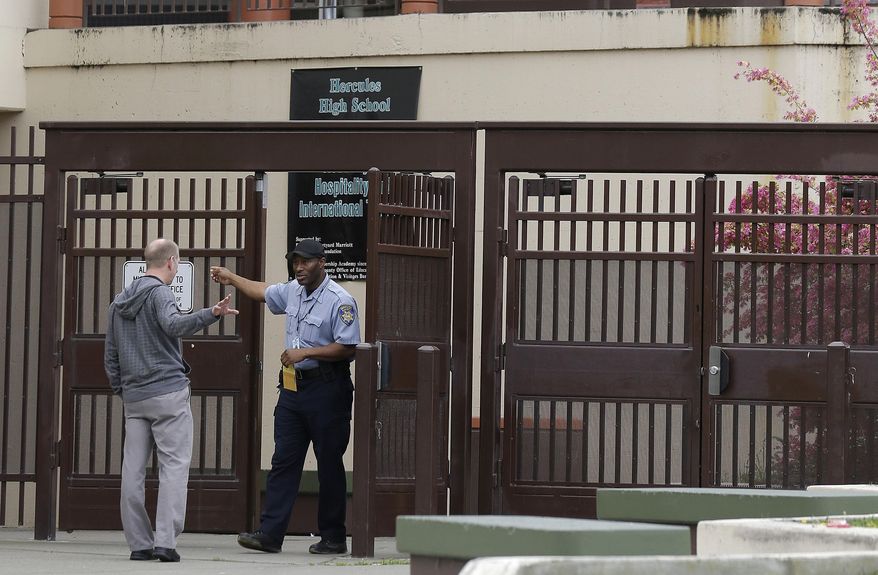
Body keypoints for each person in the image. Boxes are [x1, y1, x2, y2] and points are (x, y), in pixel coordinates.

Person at [210, 239, 360, 555]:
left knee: (329, 464)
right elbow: (263, 292)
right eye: (295, 262)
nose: (299, 268)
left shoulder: (340, 300)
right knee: (283, 461)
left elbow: (348, 347)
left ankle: (333, 537)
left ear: (322, 262)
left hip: (327, 390)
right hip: (293, 390)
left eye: (305, 262)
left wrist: (305, 352)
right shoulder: (292, 290)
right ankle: (270, 534)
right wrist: (232, 278)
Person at [105, 238, 239, 563]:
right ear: (171, 263)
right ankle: (165, 542)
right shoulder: (161, 293)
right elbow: (173, 324)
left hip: (135, 398)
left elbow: (110, 356)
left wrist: (123, 390)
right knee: (174, 467)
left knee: (132, 472)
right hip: (167, 393)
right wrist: (212, 313)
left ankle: (139, 544)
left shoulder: (118, 302)